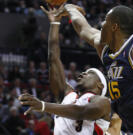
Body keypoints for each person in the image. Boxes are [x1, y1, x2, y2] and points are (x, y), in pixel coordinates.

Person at [62, 4, 133, 134]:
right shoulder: (106, 50)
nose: (101, 23)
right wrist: (69, 8)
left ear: (114, 27)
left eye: (106, 20)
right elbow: (84, 29)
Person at [19, 6, 112, 135]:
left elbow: (81, 112)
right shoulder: (67, 95)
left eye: (89, 74)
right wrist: (55, 22)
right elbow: (53, 58)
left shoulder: (102, 102)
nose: (83, 73)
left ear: (100, 85)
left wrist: (43, 105)